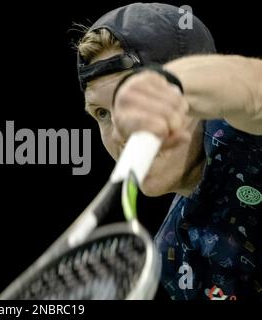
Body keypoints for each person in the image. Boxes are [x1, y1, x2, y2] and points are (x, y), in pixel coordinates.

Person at [76, 3, 262, 299]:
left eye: (134, 102)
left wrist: (176, 82)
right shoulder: (173, 255)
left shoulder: (247, 133)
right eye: (101, 113)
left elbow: (251, 88)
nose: (119, 133)